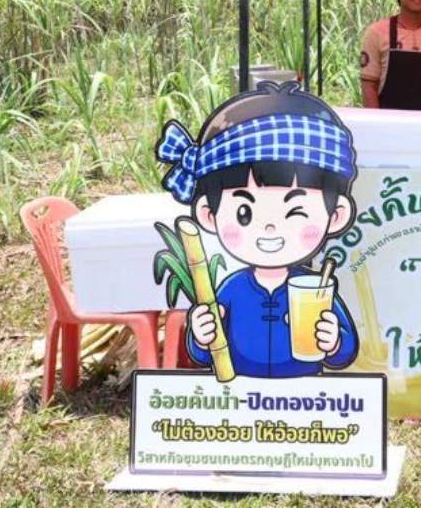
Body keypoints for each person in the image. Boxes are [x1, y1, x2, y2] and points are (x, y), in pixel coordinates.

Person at [154, 81, 360, 378]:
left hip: (308, 397)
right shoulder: (232, 289)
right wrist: (200, 336)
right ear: (208, 215)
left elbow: (344, 353)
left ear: (337, 215)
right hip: (240, 396)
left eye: (296, 212)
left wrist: (334, 341)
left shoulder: (314, 290)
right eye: (244, 213)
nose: (271, 227)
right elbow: (203, 353)